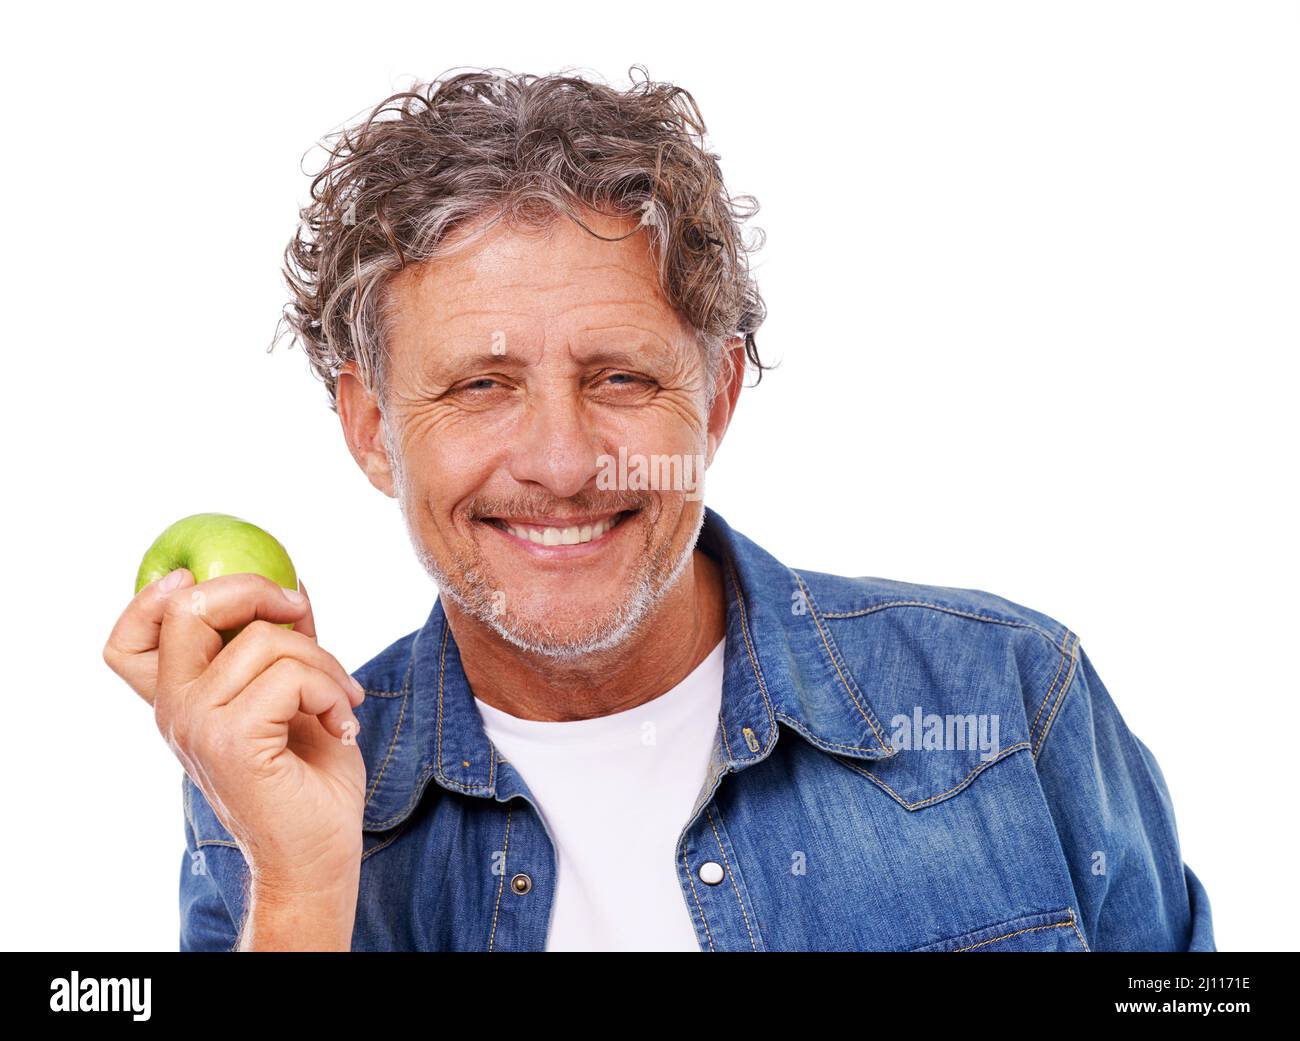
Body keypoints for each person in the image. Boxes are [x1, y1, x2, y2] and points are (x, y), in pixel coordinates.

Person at [104, 67, 1214, 951]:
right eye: (479, 386)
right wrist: (302, 888)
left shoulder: (1006, 698)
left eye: (621, 378)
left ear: (719, 394)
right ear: (370, 429)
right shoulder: (282, 782)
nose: (560, 461)